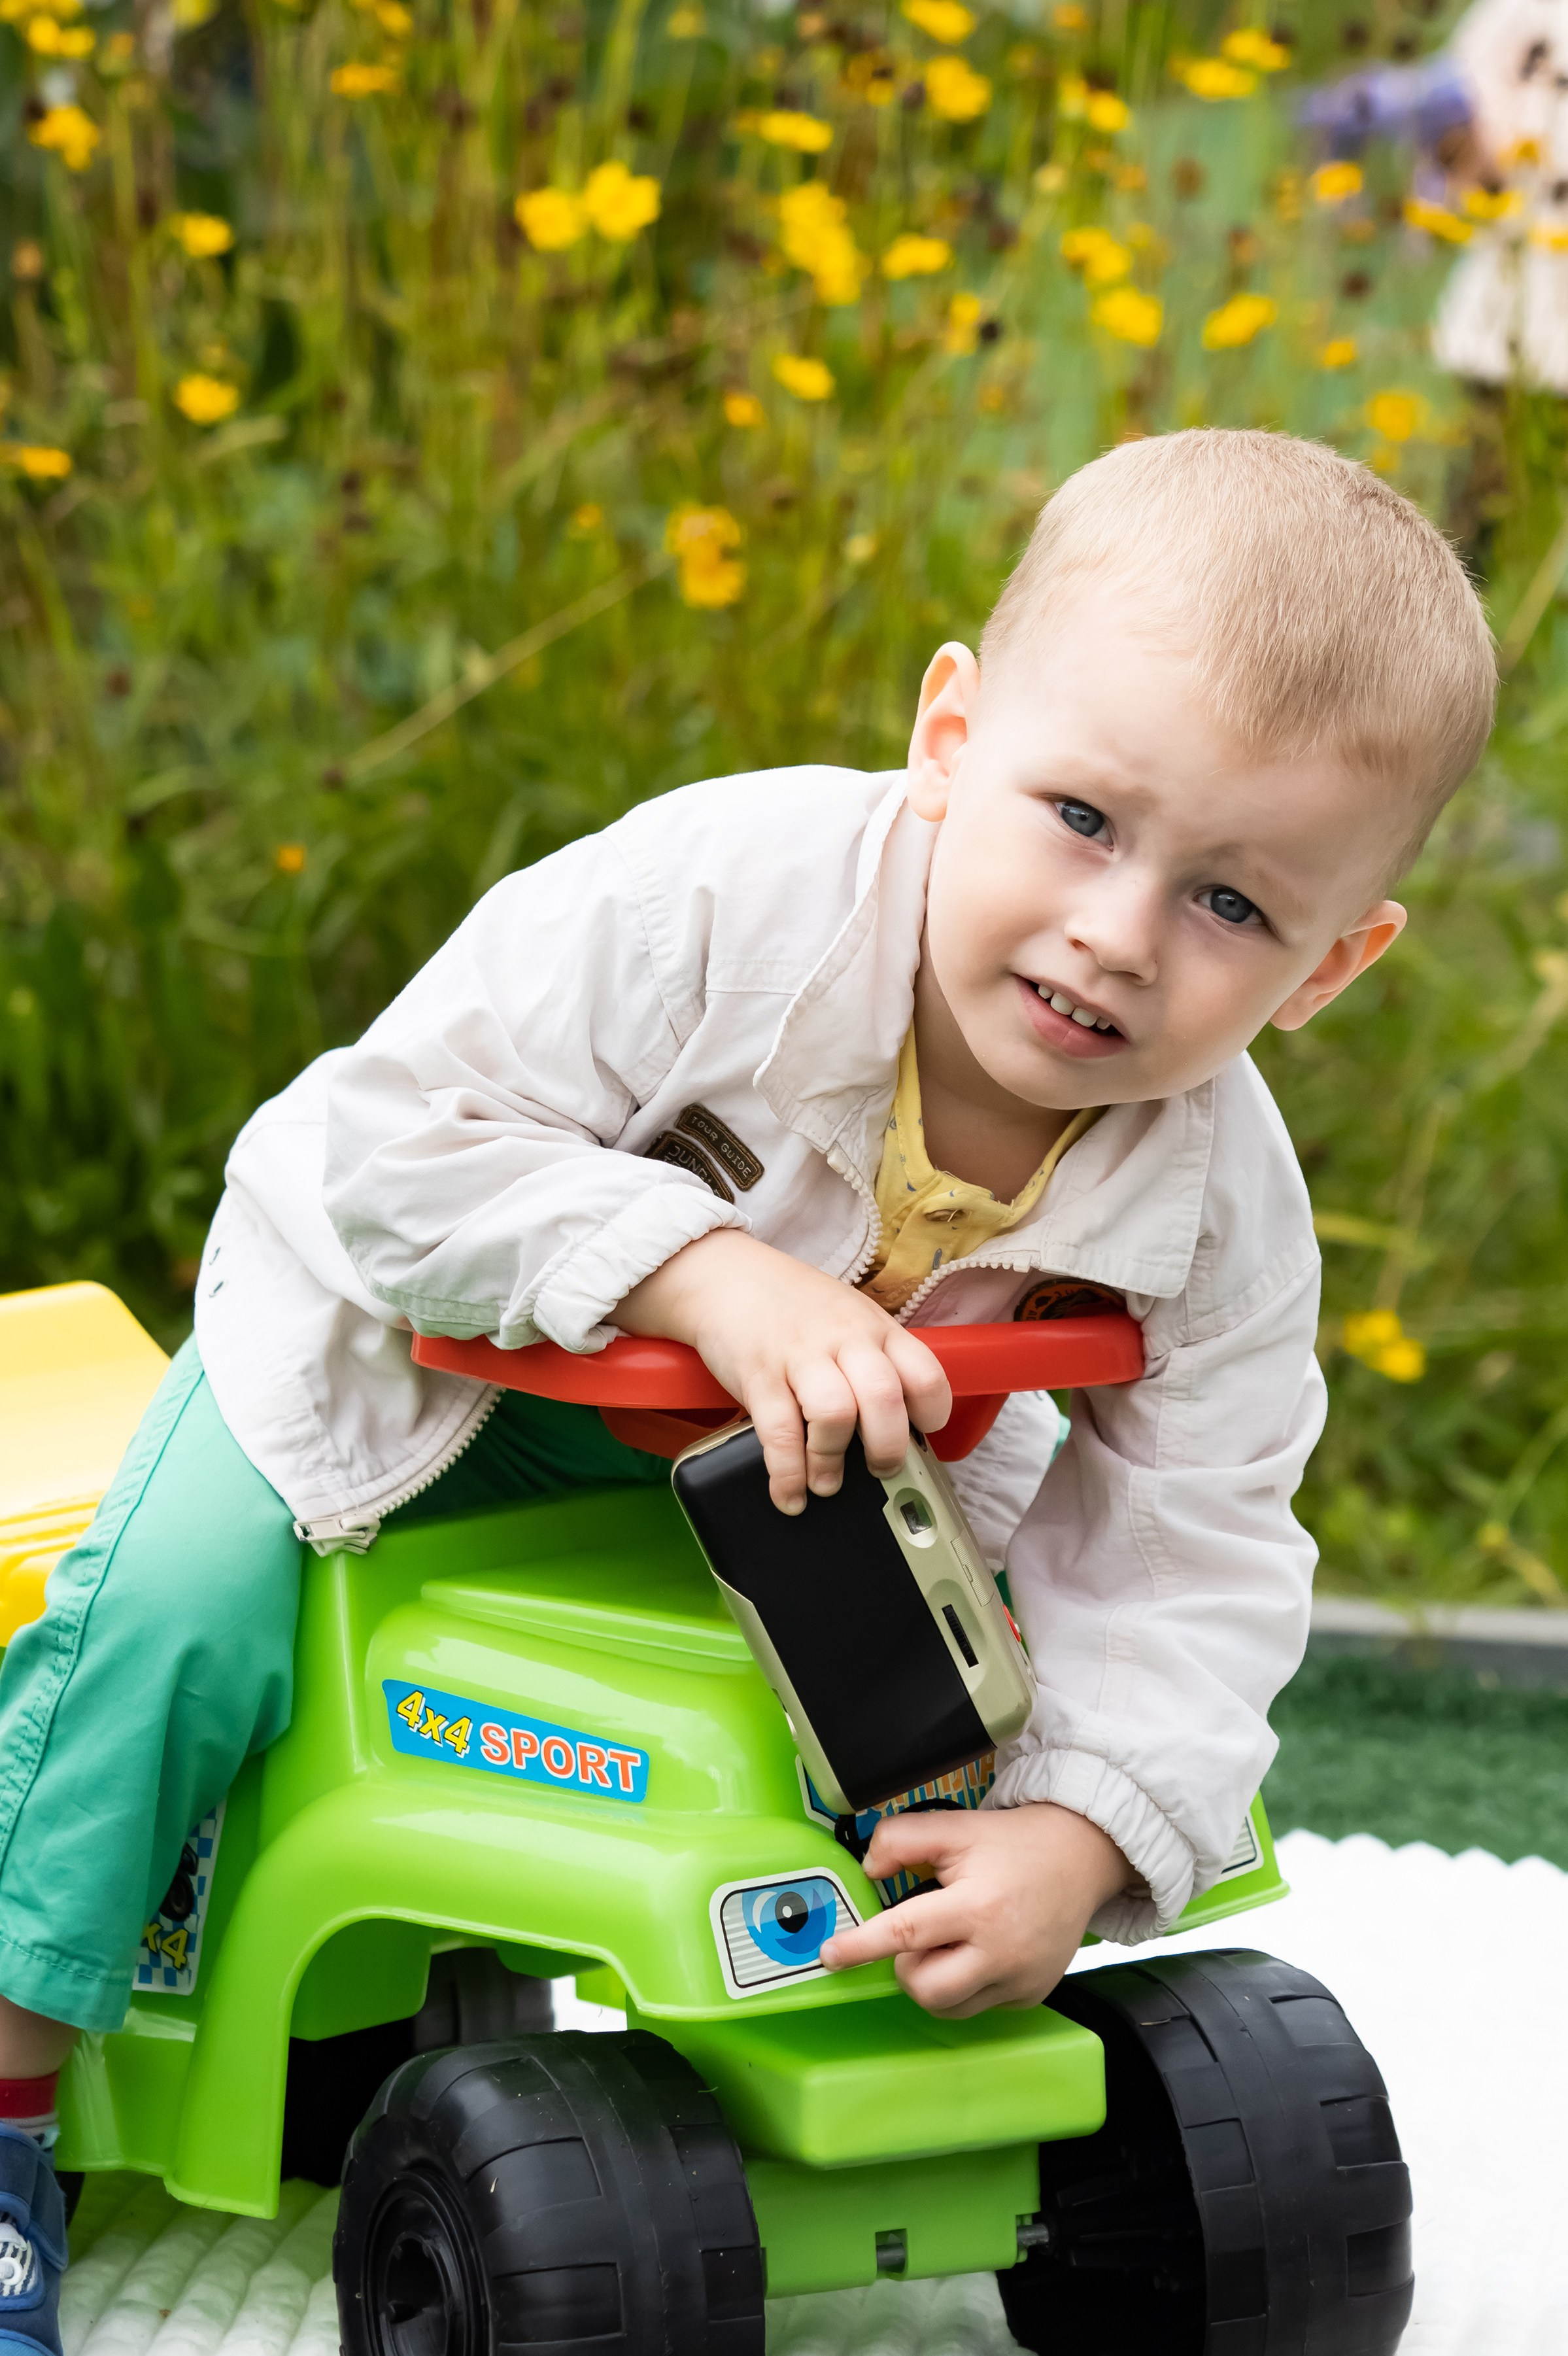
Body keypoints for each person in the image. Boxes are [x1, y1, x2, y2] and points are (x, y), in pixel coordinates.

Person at [0, 428, 1496, 2350]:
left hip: (793, 1473)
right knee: (176, 1626)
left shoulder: (1222, 1195)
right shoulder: (717, 899)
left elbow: (1197, 1526)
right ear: (952, 734)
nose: (1119, 934)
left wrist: (1089, 1827)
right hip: (399, 1365)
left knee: (969, 1702)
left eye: (1234, 906)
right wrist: (702, 1268)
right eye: (1084, 817)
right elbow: (381, 1143)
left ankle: (799, 2041)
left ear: (1331, 964)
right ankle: (19, 2091)